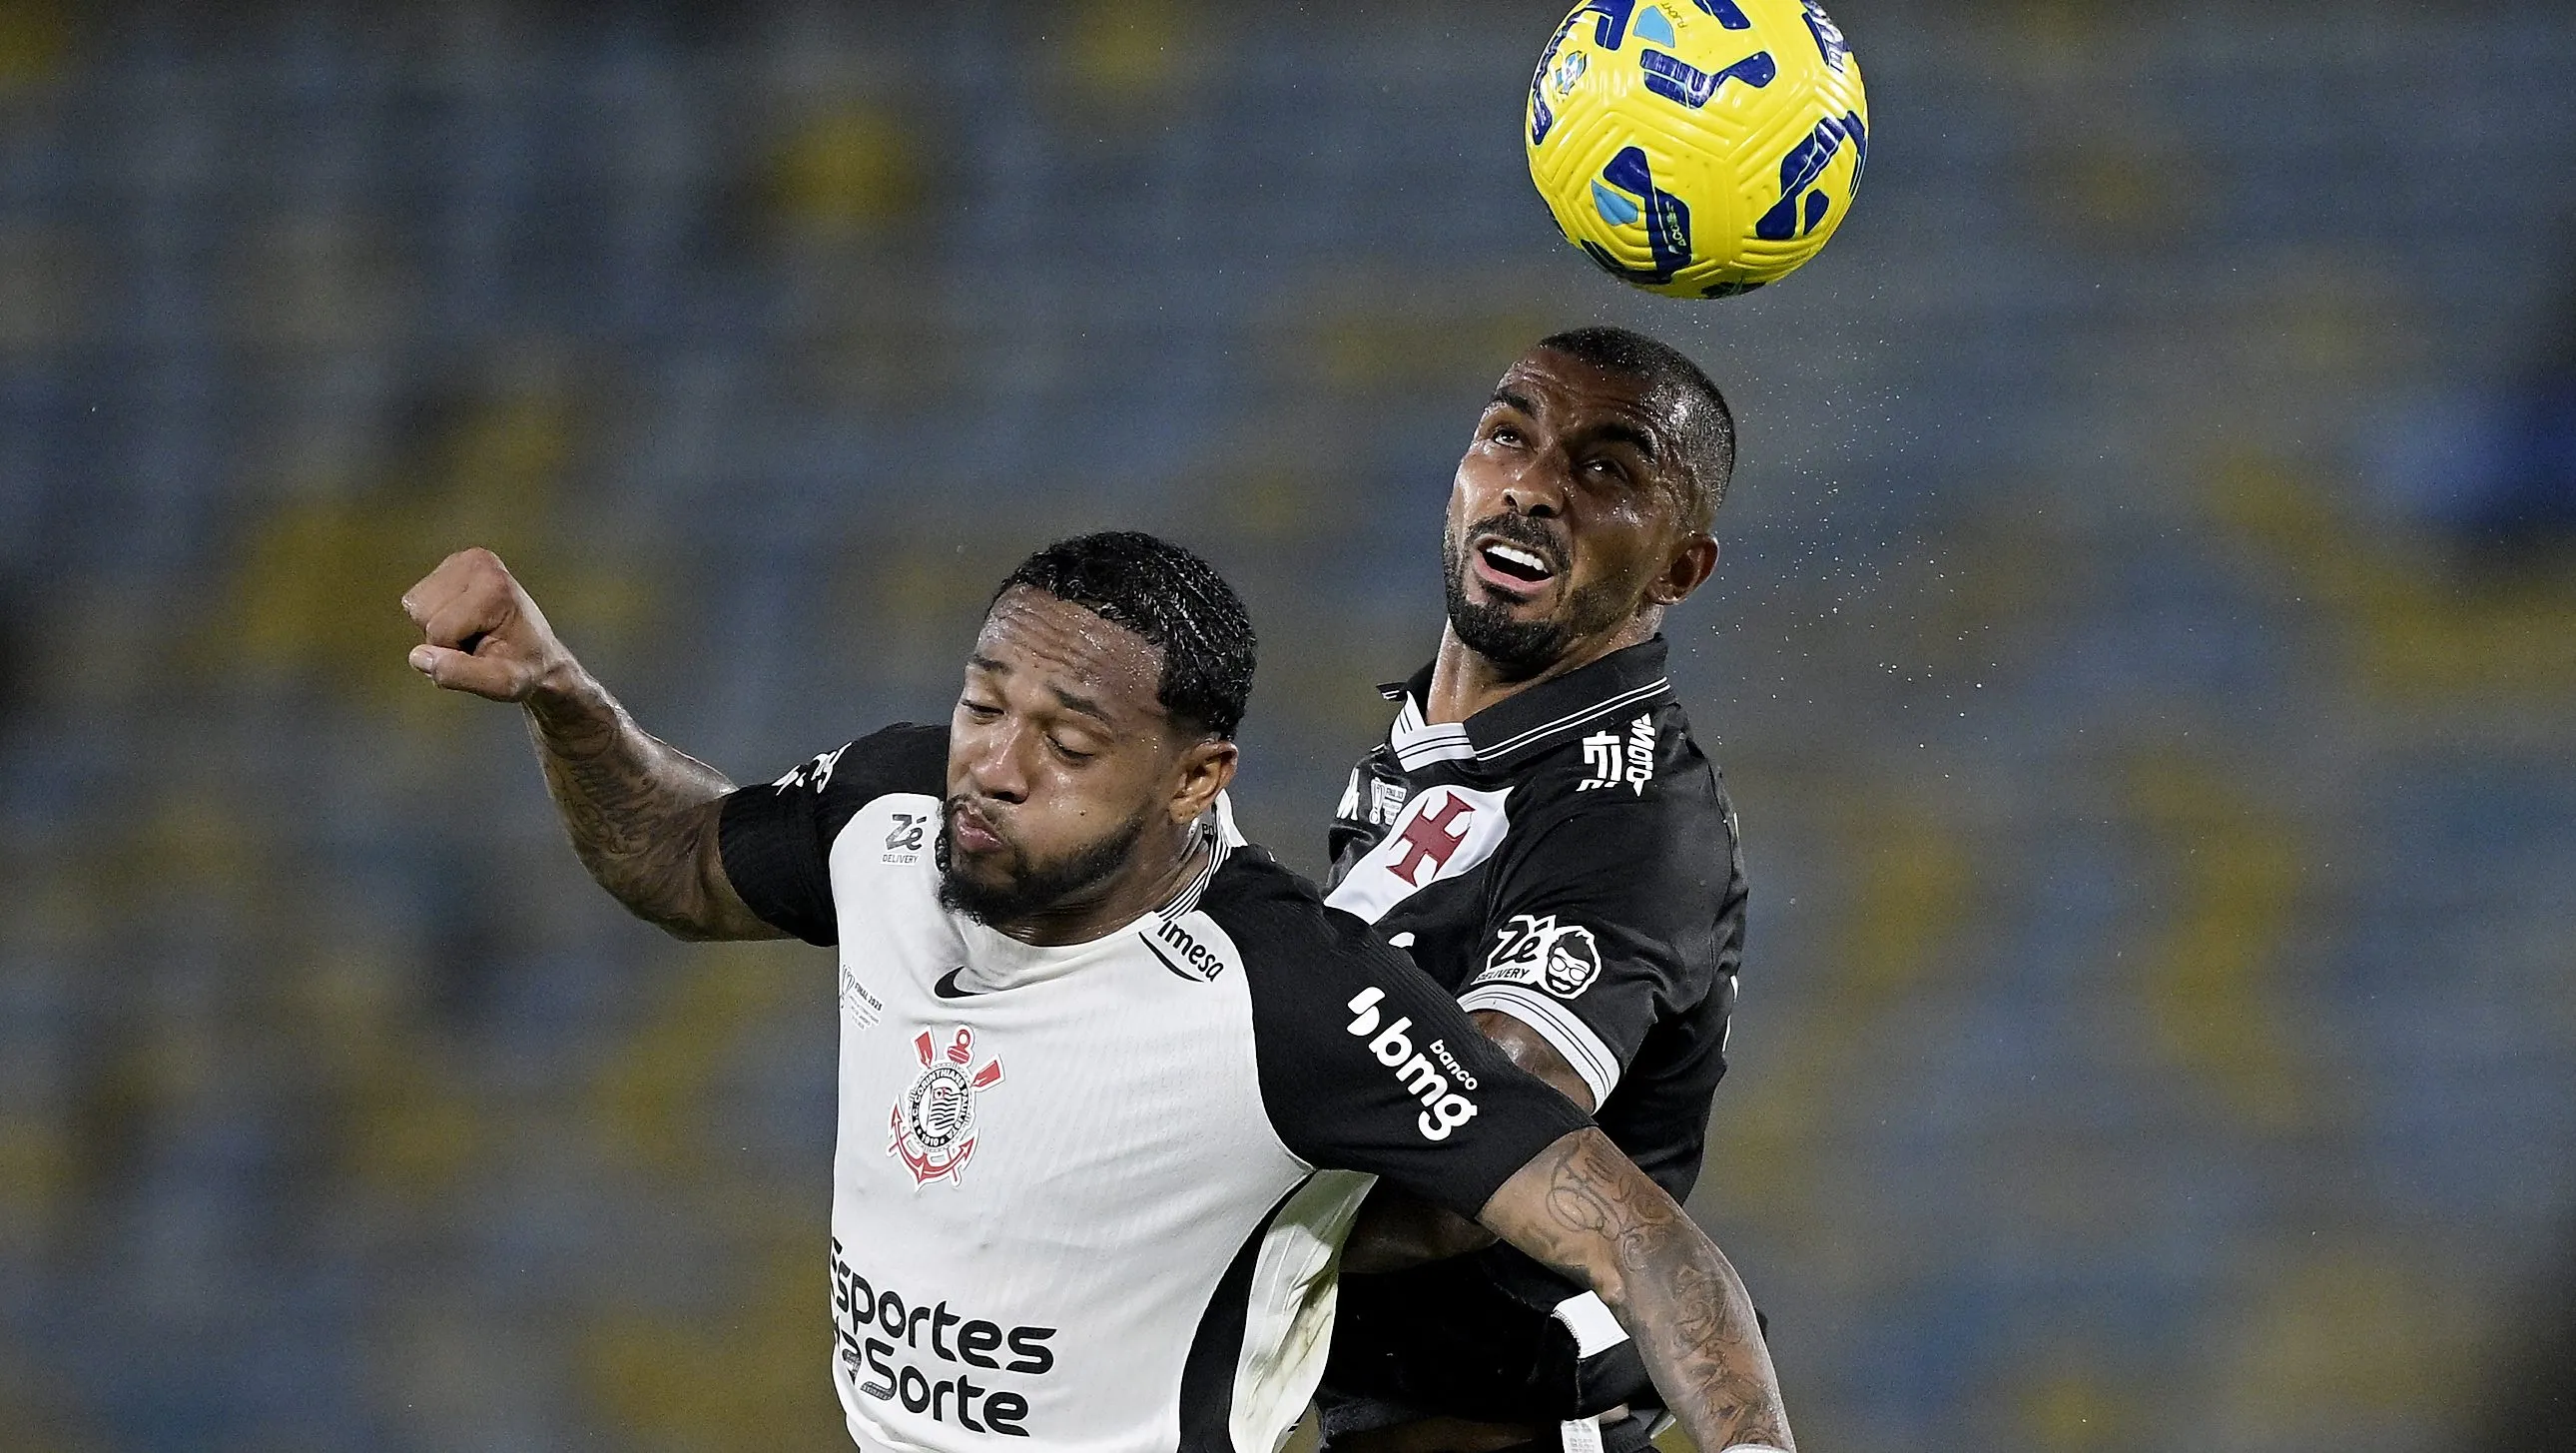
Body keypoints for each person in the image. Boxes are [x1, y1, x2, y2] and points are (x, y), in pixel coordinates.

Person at [399, 531, 1793, 1453]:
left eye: (1067, 739)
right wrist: (562, 695)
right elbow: (690, 860)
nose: (994, 763)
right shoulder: (894, 808)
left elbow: (1642, 1239)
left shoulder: (1285, 992)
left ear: (1198, 777)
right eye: (983, 700)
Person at [1315, 328, 1755, 1453]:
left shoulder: (1631, 816)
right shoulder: (1434, 747)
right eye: (1508, 435)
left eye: (1607, 469)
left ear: (1678, 569)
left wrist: (1148, 1208)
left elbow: (1479, 1141)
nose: (1533, 486)